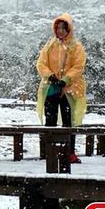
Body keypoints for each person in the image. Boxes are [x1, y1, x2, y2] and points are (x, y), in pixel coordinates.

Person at [36, 13, 87, 164]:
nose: (60, 31)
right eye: (58, 28)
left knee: (68, 120)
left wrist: (66, 80)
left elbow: (78, 66)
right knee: (50, 119)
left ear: (69, 29)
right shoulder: (50, 45)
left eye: (63, 28)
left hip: (70, 88)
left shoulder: (76, 47)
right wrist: (50, 76)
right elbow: (41, 63)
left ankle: (69, 152)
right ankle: (48, 151)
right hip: (51, 87)